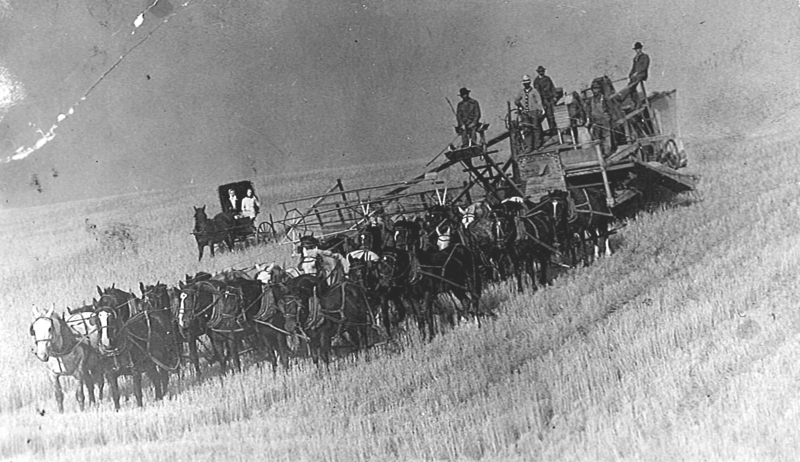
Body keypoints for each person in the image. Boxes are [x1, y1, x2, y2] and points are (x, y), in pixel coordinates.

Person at [514, 75, 544, 151]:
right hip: (525, 113)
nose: (526, 84)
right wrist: (520, 106)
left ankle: (537, 145)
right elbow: (516, 100)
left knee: (536, 128)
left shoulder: (534, 91)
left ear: (529, 83)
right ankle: (529, 147)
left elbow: (539, 101)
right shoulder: (521, 92)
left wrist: (540, 110)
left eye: (527, 83)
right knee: (527, 129)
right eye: (524, 83)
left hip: (534, 112)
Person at [586, 80, 613, 156]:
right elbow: (588, 111)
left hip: (604, 121)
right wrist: (588, 119)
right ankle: (599, 154)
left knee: (606, 137)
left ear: (600, 89)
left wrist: (609, 117)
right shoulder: (591, 100)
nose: (595, 91)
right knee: (596, 138)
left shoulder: (604, 98)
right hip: (595, 121)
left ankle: (607, 153)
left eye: (596, 89)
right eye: (593, 89)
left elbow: (610, 109)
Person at [533, 66, 558, 133]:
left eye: (542, 71)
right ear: (538, 72)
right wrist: (541, 102)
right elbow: (537, 93)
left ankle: (556, 128)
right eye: (540, 71)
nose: (542, 72)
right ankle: (552, 129)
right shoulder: (536, 81)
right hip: (544, 100)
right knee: (549, 115)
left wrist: (555, 96)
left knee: (555, 113)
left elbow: (552, 87)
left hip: (551, 98)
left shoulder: (547, 78)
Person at [628, 41, 650, 108]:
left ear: (641, 49)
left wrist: (637, 73)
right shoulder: (635, 58)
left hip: (641, 74)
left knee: (632, 85)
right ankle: (636, 102)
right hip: (635, 75)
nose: (637, 50)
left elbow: (644, 67)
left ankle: (638, 104)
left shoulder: (645, 56)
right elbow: (633, 67)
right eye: (636, 49)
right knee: (629, 87)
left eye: (638, 49)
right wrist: (630, 74)